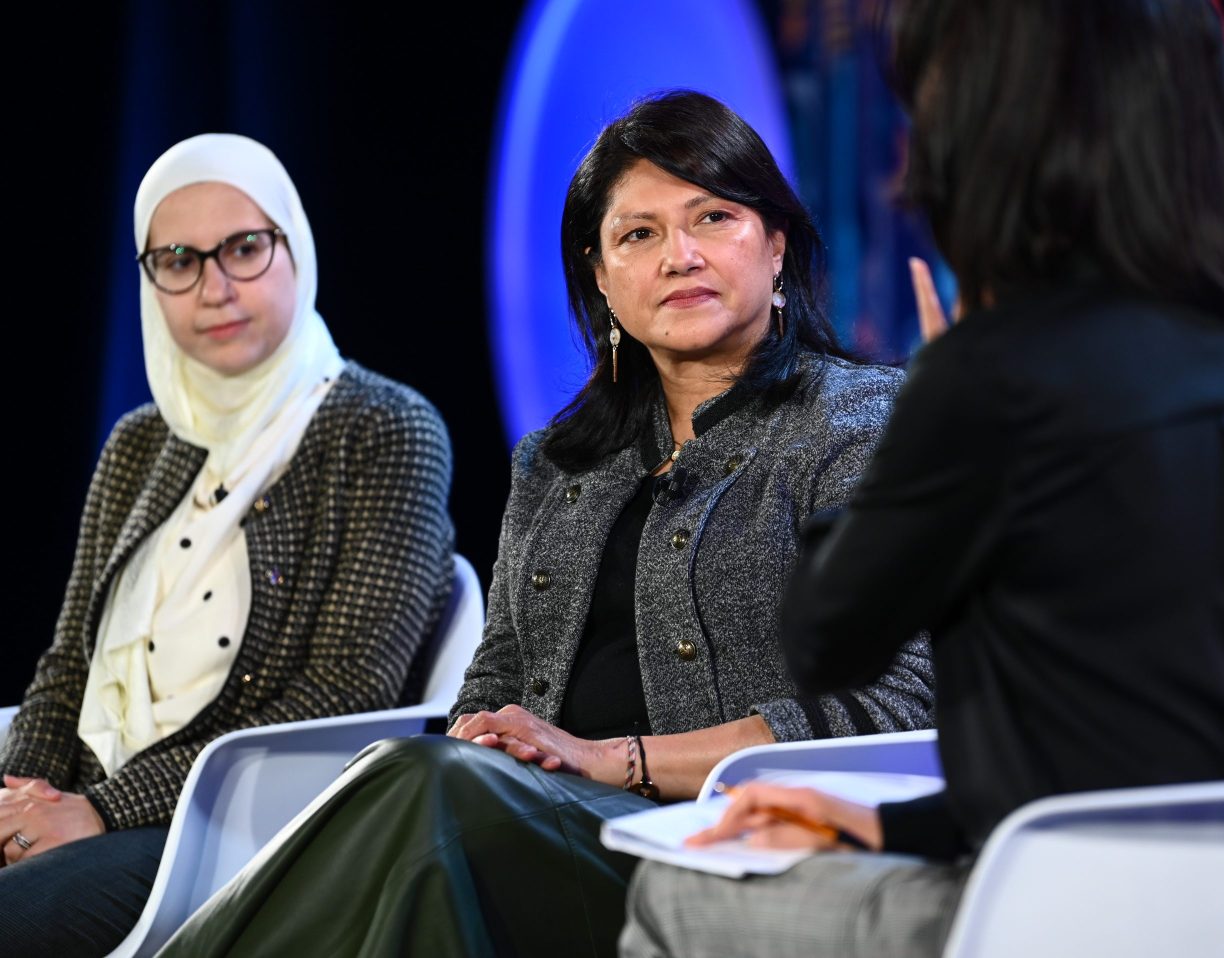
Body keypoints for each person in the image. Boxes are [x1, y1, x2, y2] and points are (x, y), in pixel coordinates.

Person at [620, 2, 1224, 955]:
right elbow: (1163, 742)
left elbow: (824, 636)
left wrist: (929, 403)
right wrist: (888, 826)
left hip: (1066, 916)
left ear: (993, 133)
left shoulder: (996, 375)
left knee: (668, 893)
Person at [157, 91, 934, 957]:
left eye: (712, 217)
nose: (679, 256)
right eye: (638, 234)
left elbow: (893, 706)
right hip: (522, 822)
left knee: (423, 793)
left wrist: (614, 760)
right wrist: (487, 731)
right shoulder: (558, 459)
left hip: (715, 842)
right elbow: (498, 674)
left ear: (777, 245)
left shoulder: (862, 423)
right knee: (427, 801)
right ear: (601, 278)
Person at [0, 134, 455, 955]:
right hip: (81, 810)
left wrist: (102, 809)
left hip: (226, 830)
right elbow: (69, 661)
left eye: (244, 249)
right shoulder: (140, 441)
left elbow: (348, 693)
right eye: (177, 260)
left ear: (294, 247)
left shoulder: (386, 429)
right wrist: (18, 800)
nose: (214, 287)